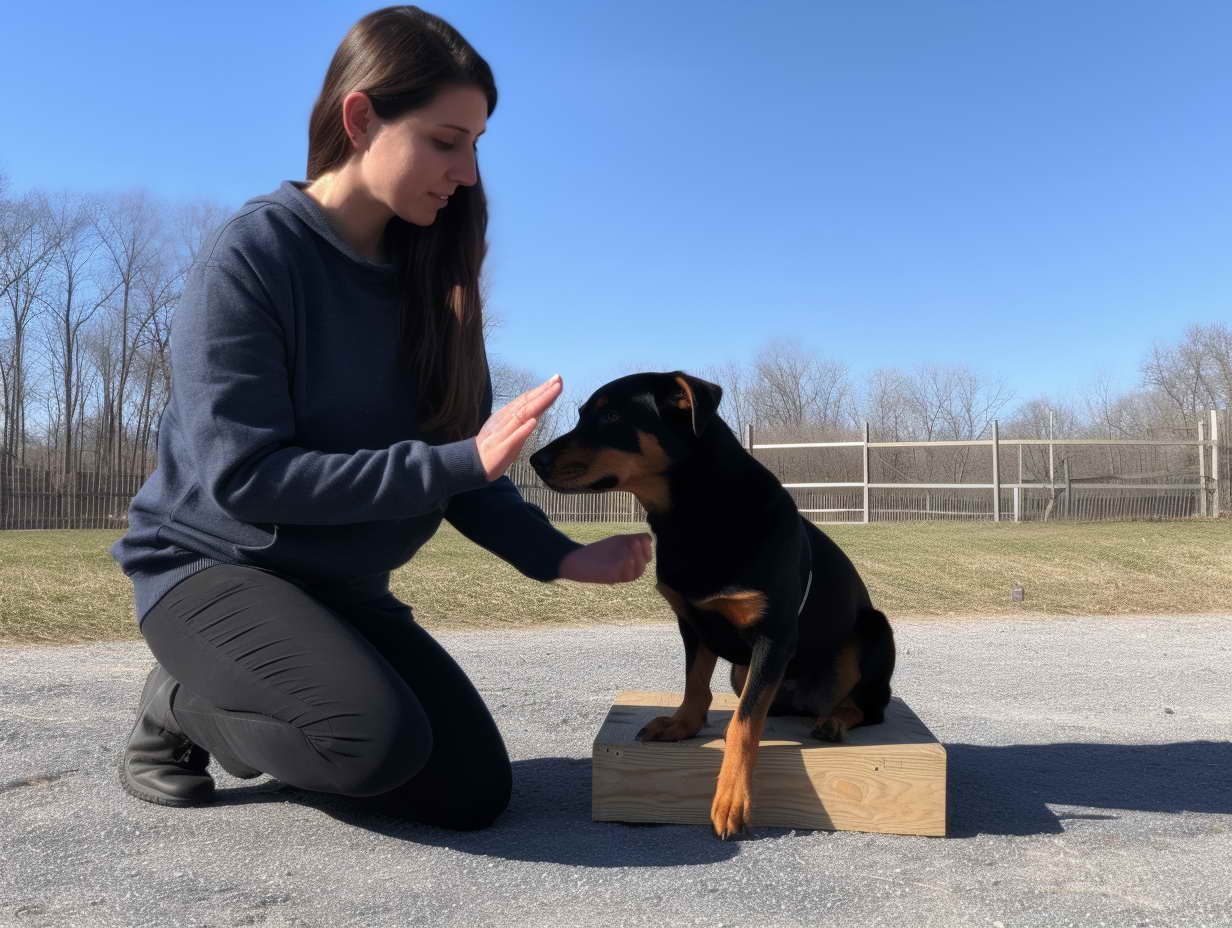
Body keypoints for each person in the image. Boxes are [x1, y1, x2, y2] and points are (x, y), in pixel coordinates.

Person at [111, 5, 652, 830]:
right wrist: (460, 463)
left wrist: (561, 558)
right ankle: (184, 704)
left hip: (340, 588)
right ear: (360, 118)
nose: (466, 171)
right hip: (212, 570)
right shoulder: (254, 258)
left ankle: (284, 694)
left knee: (472, 791)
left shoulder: (432, 279)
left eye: (475, 145)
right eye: (445, 140)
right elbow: (247, 479)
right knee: (371, 746)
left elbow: (465, 475)